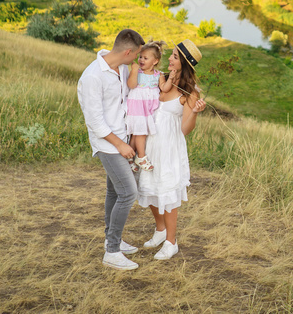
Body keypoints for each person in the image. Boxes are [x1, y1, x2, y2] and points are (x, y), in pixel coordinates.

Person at [76, 28, 146, 271]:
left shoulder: (123, 68)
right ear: (127, 51)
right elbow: (95, 122)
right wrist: (121, 145)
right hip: (108, 144)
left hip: (123, 139)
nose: (137, 59)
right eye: (136, 55)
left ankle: (111, 238)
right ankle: (112, 251)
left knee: (114, 192)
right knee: (129, 192)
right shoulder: (92, 76)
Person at [136, 39, 207, 260]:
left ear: (183, 63)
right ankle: (160, 230)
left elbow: (185, 129)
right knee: (149, 188)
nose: (169, 58)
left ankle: (171, 242)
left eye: (174, 56)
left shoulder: (190, 91)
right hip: (151, 142)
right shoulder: (160, 79)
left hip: (169, 146)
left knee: (168, 192)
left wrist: (194, 111)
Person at [124, 40, 178, 172]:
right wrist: (134, 71)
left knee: (137, 133)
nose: (141, 60)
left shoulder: (158, 75)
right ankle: (141, 157)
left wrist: (170, 78)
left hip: (148, 108)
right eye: (140, 56)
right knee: (140, 131)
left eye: (145, 58)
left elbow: (164, 88)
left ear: (155, 61)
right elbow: (131, 85)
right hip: (137, 105)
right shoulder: (138, 72)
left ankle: (130, 158)